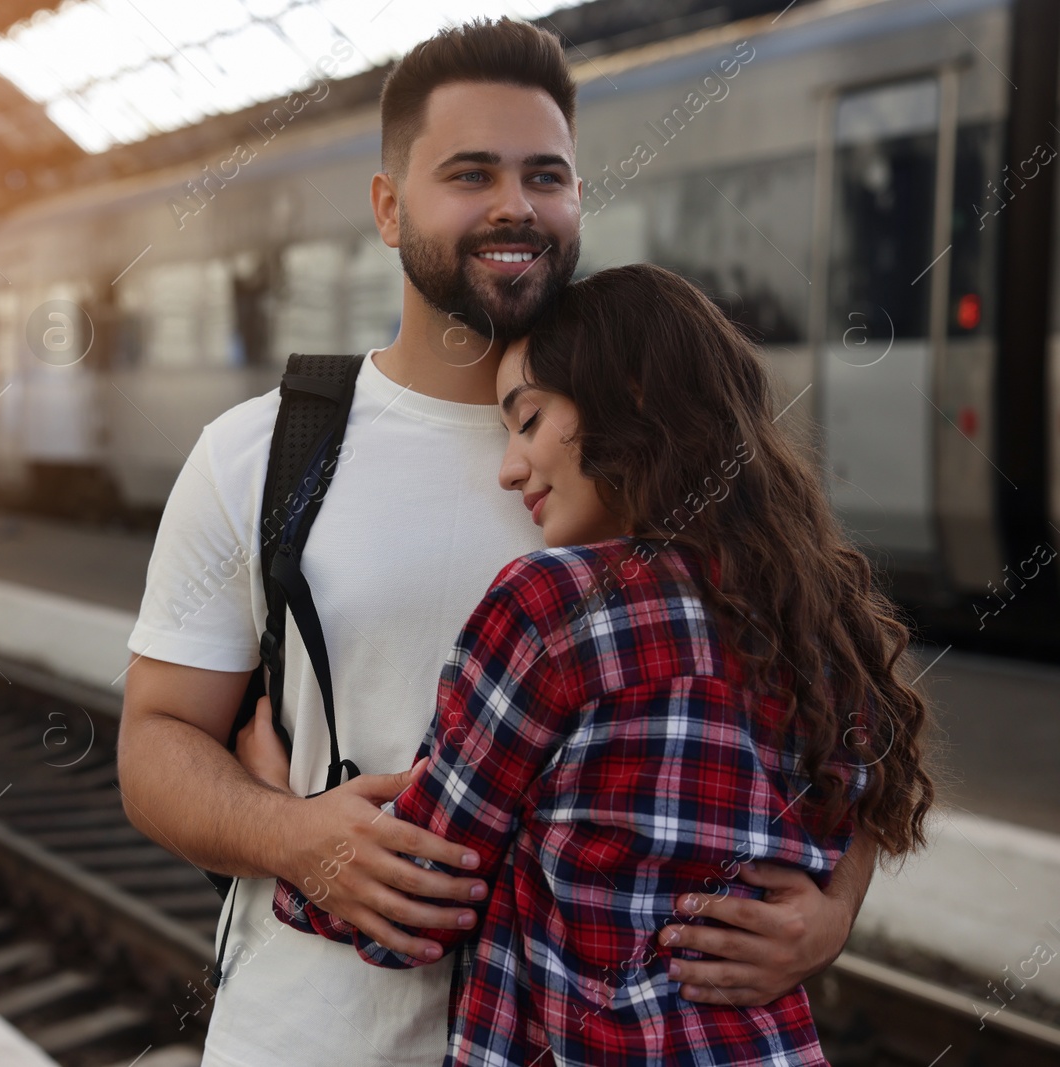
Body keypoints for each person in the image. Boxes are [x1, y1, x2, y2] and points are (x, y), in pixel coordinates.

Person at [118, 19, 877, 1067]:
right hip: (311, 1036)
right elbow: (154, 738)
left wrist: (831, 909)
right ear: (387, 207)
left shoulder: (660, 453)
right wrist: (292, 834)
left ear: (576, 199)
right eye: (469, 173)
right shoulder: (258, 452)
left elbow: (828, 698)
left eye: (545, 175)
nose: (514, 205)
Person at [252, 263, 935, 1065]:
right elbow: (873, 809)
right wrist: (831, 915)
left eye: (529, 420)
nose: (509, 466)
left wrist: (277, 810)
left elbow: (420, 901)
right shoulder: (818, 616)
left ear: (632, 396)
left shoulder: (557, 606)